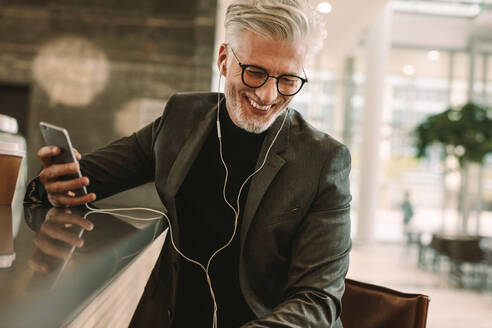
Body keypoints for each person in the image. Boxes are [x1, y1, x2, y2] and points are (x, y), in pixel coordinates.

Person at [25, 0, 352, 327]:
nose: (268, 96)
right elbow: (84, 178)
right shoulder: (182, 118)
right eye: (255, 72)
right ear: (224, 60)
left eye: (288, 80)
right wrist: (53, 187)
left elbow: (318, 300)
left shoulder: (324, 161)